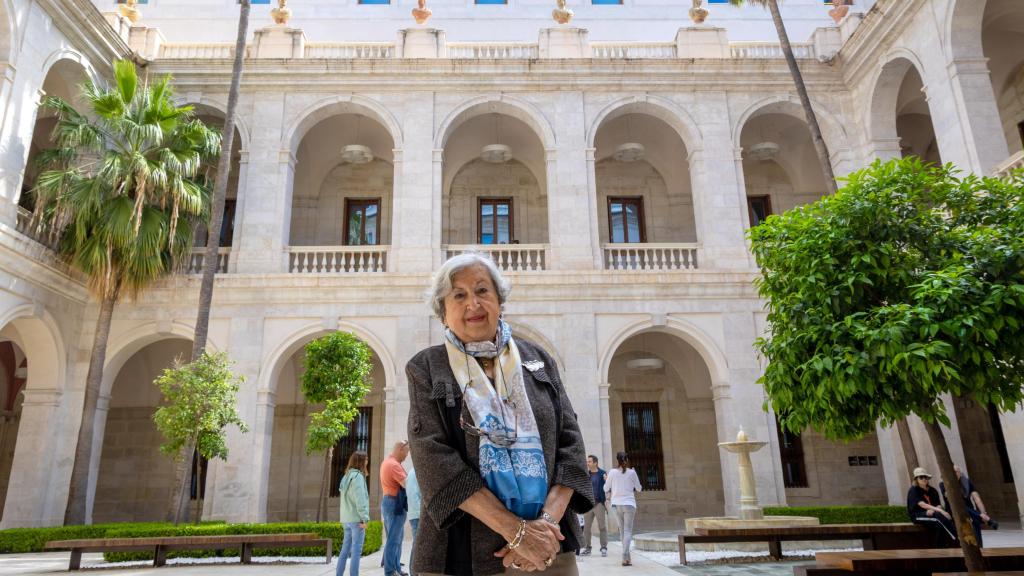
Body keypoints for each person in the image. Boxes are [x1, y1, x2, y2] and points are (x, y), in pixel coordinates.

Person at [406, 252, 594, 576]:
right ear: (443, 312)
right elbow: (434, 459)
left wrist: (544, 526)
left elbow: (571, 442)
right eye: (459, 295)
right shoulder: (426, 367)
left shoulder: (538, 358)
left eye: (482, 291)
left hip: (549, 549)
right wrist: (516, 532)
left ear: (499, 301)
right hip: (459, 555)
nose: (473, 304)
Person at [940, 464, 999, 546]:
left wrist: (983, 513)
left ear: (960, 473)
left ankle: (980, 546)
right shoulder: (943, 484)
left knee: (976, 520)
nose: (954, 474)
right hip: (953, 510)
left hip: (970, 511)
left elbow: (976, 498)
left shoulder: (966, 482)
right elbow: (950, 497)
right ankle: (988, 521)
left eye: (956, 472)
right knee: (960, 507)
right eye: (952, 472)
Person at [605, 451, 642, 566]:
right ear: (627, 460)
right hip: (629, 504)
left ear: (617, 460)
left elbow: (606, 488)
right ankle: (625, 556)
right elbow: (639, 488)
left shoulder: (612, 472)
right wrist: (635, 474)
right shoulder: (632, 473)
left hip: (616, 505)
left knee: (623, 531)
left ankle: (627, 557)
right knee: (627, 531)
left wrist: (606, 479)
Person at [337, 451, 370, 576]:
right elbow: (360, 500)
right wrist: (365, 518)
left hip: (346, 519)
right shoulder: (358, 477)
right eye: (366, 459)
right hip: (357, 520)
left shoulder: (346, 476)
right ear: (361, 461)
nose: (367, 462)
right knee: (356, 551)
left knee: (344, 550)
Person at [906, 467, 957, 547]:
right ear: (916, 479)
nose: (924, 479)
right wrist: (939, 511)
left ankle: (941, 547)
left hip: (934, 514)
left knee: (942, 521)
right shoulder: (913, 490)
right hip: (918, 515)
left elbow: (938, 504)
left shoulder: (933, 490)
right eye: (921, 477)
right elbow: (922, 504)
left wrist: (937, 510)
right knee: (939, 518)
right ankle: (956, 539)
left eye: (925, 477)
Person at [381, 441, 410, 576]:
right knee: (394, 539)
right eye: (406, 452)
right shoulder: (394, 465)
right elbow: (407, 484)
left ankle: (396, 569)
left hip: (389, 502)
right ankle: (390, 571)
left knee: (395, 538)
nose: (407, 455)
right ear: (400, 449)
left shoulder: (387, 461)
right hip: (394, 504)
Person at [580, 455, 608, 557]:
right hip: (588, 504)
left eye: (589, 462)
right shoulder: (586, 474)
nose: (587, 463)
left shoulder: (602, 473)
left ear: (595, 463)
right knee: (586, 528)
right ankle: (587, 548)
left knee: (602, 527)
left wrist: (606, 500)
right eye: (587, 462)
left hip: (599, 503)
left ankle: (604, 547)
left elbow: (607, 487)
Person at [407, 467, 422, 576]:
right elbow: (413, 495)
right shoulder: (414, 472)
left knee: (417, 545)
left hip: (417, 514)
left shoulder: (415, 472)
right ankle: (413, 573)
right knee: (417, 546)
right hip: (417, 515)